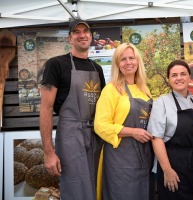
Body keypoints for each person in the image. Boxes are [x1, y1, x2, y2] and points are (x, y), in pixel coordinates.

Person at [39, 19, 106, 200]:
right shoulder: (56, 64)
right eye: (77, 32)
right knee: (75, 188)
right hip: (70, 135)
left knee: (95, 186)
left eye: (85, 31)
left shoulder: (97, 68)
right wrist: (49, 152)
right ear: (70, 38)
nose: (82, 35)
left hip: (95, 136)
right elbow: (45, 108)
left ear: (91, 37)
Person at [94, 43, 154, 200]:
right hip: (120, 160)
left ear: (138, 61)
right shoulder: (111, 89)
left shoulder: (144, 89)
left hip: (144, 157)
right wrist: (133, 132)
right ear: (117, 64)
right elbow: (100, 125)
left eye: (131, 58)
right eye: (123, 59)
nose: (128, 62)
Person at [147, 60, 193, 200]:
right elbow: (156, 138)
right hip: (173, 163)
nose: (179, 78)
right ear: (169, 79)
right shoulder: (161, 103)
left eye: (183, 74)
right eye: (174, 75)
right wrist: (167, 170)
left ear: (189, 76)